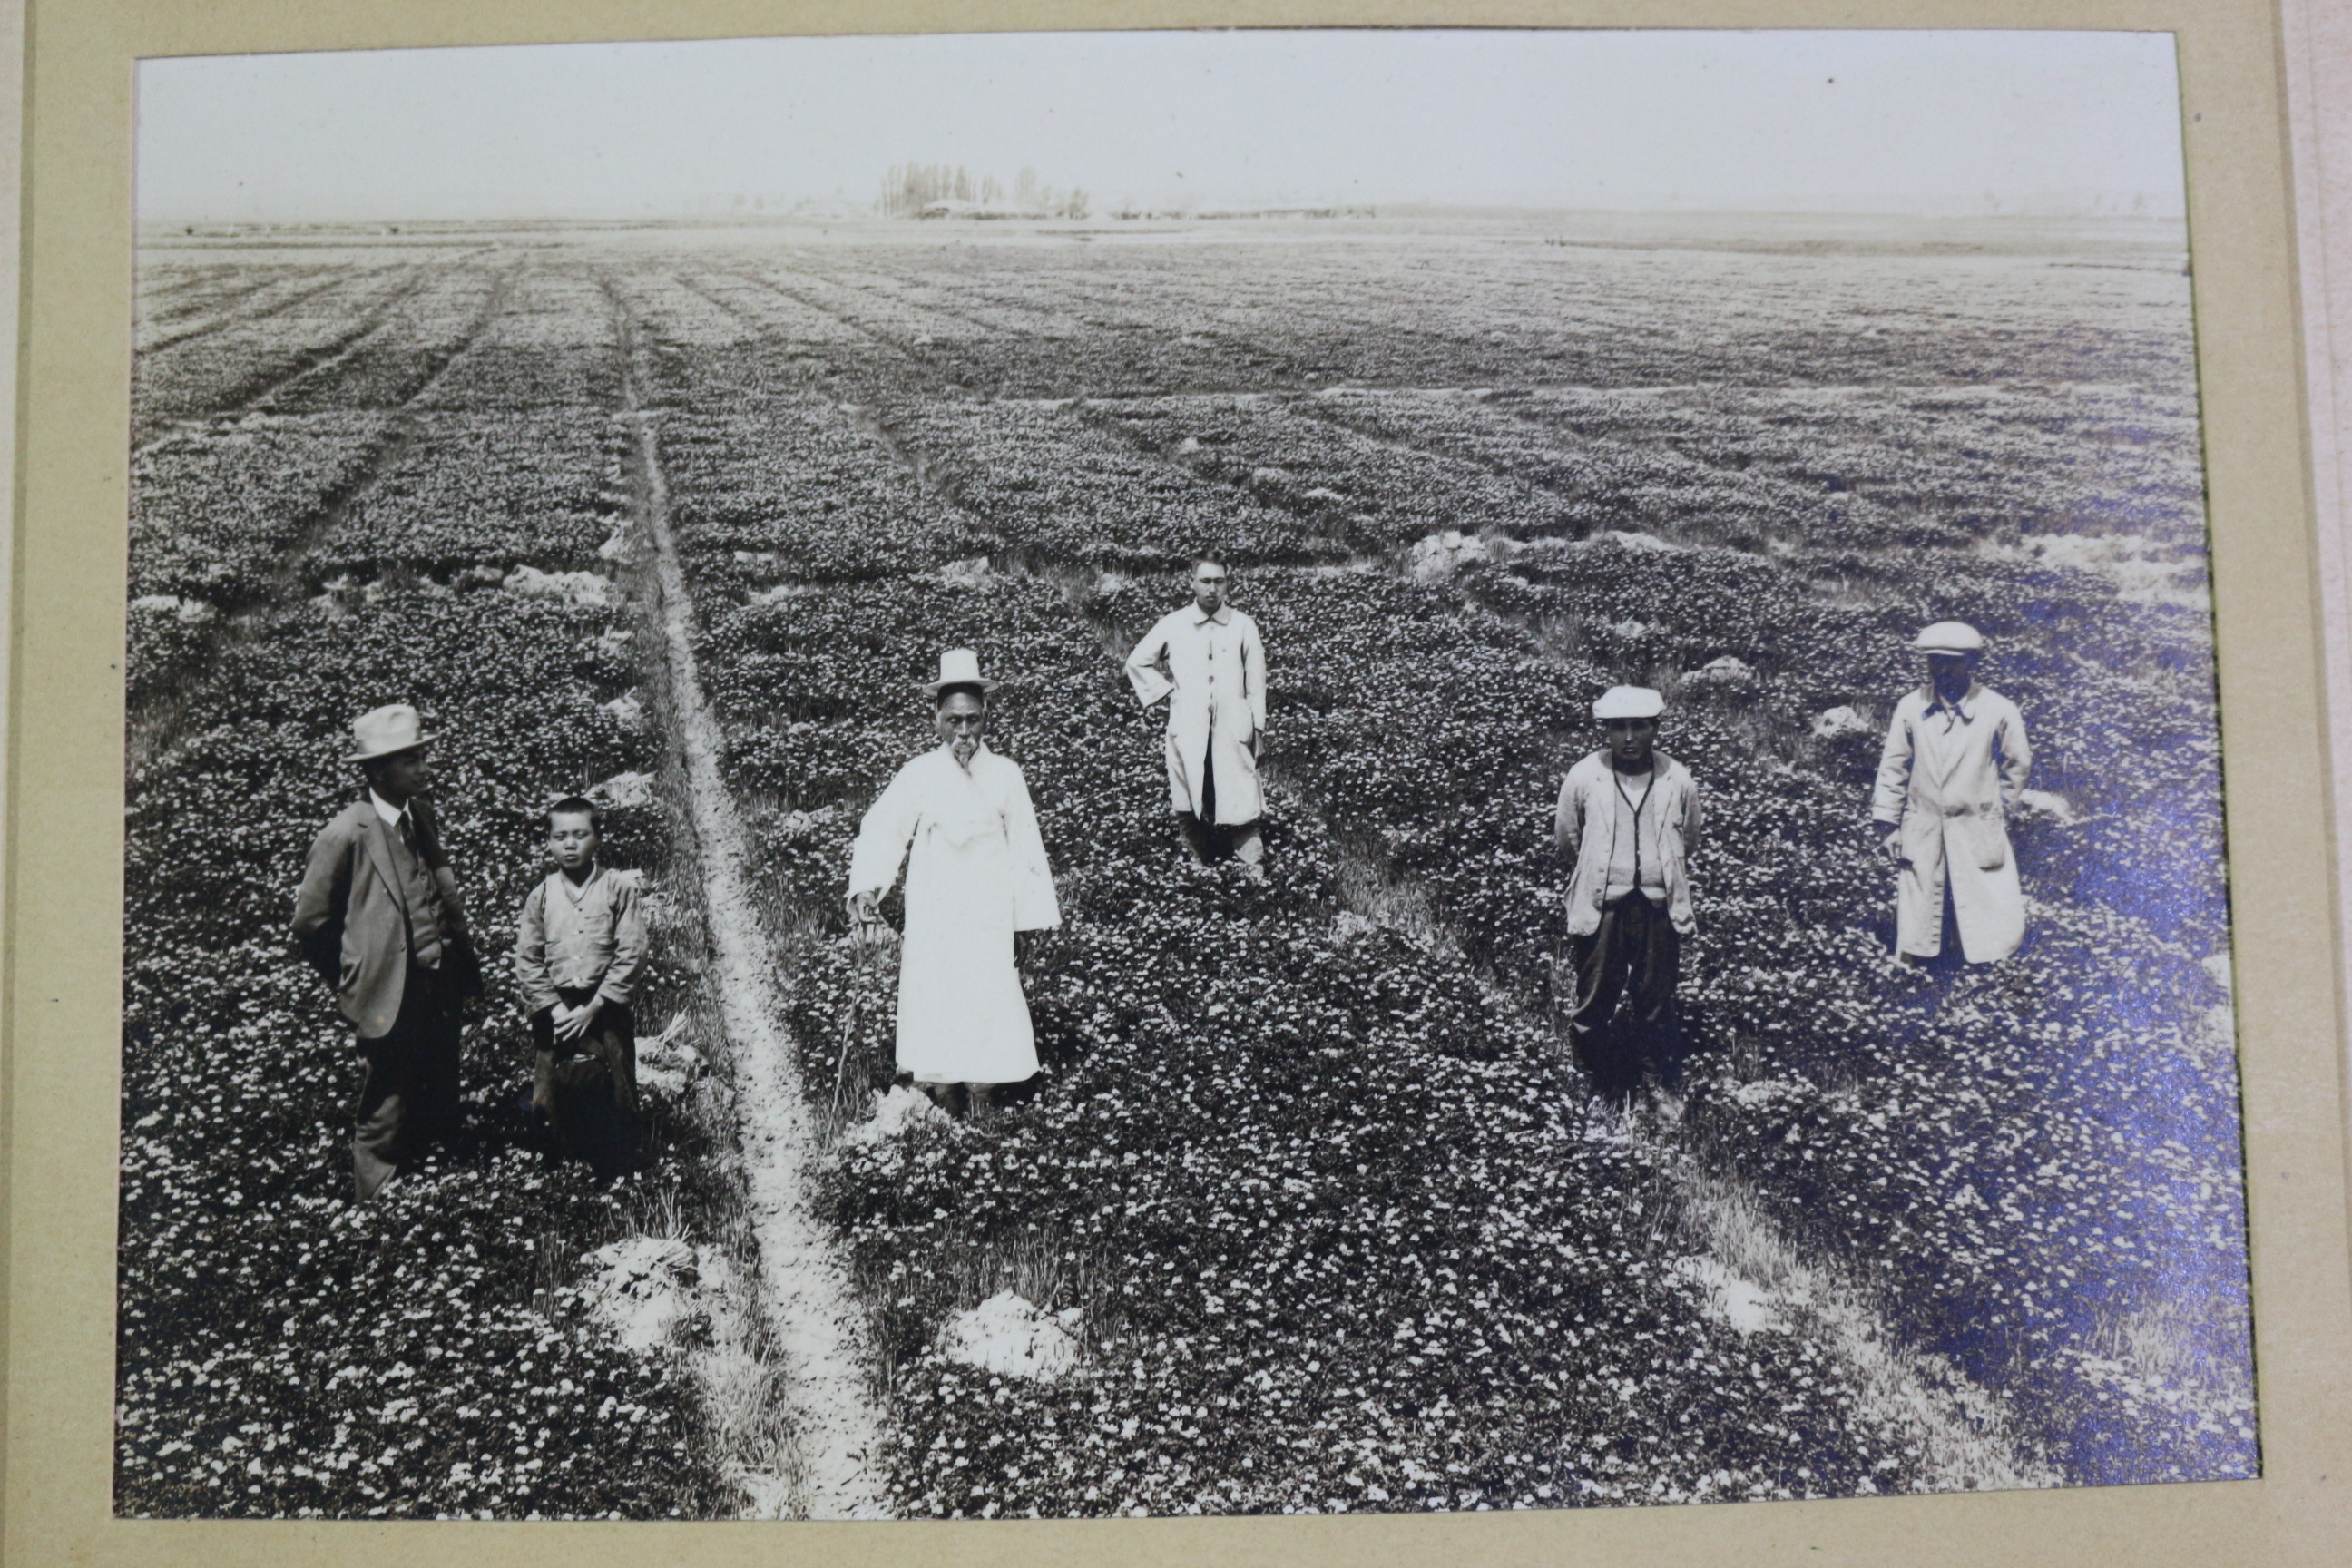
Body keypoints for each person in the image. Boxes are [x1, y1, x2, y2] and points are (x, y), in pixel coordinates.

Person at [846, 650, 1061, 1118]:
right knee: (936, 995)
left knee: (988, 996)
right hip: (935, 911)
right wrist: (866, 888)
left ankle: (983, 1095)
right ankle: (943, 1096)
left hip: (988, 912)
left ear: (986, 718)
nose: (964, 733)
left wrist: (1023, 923)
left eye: (973, 720)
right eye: (954, 721)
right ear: (936, 720)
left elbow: (1026, 850)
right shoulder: (919, 774)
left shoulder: (1006, 775)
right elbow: (883, 829)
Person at [291, 703, 482, 1200]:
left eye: (423, 755)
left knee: (439, 1091)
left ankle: (436, 1198)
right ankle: (377, 1213)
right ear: (377, 771)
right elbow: (310, 923)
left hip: (436, 983)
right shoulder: (344, 833)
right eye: (410, 759)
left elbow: (437, 893)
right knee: (386, 1106)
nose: (424, 767)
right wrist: (354, 976)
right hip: (385, 993)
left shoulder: (420, 814)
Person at [1553, 686, 1702, 1099]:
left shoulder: (1677, 777)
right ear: (1606, 730)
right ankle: (1590, 1080)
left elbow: (1688, 838)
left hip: (1657, 907)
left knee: (1657, 1000)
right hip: (1604, 907)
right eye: (1619, 728)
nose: (1629, 737)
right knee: (1595, 996)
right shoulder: (1585, 776)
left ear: (1656, 728)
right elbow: (1569, 838)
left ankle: (1656, 1083)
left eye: (1640, 727)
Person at [1872, 621, 2034, 966]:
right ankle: (1923, 967)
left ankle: (1988, 966)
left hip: (1977, 825)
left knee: (1983, 898)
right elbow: (1893, 767)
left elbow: (2016, 766)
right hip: (1924, 824)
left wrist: (1995, 810)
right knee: (1925, 897)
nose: (1943, 669)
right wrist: (1888, 824)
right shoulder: (1910, 707)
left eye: (1952, 661)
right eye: (1935, 661)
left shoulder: (1998, 709)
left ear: (1972, 662)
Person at [515, 797, 648, 1178]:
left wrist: (593, 1008)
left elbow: (632, 952)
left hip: (605, 1004)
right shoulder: (540, 896)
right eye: (560, 837)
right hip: (555, 1008)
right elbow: (527, 960)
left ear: (598, 839)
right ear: (549, 843)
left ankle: (618, 1169)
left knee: (618, 1085)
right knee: (548, 1088)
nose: (570, 844)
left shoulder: (618, 890)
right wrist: (557, 1010)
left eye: (580, 835)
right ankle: (556, 1169)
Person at [1124, 560, 1269, 867]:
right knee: (1189, 798)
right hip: (1188, 728)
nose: (1212, 589)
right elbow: (1137, 661)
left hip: (1234, 730)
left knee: (1241, 798)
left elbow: (1256, 683)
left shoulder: (1244, 625)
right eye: (1205, 581)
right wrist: (1169, 694)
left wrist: (1258, 729)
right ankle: (1198, 870)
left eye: (1219, 581)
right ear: (1191, 582)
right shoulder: (1173, 623)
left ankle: (1252, 872)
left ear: (1228, 584)